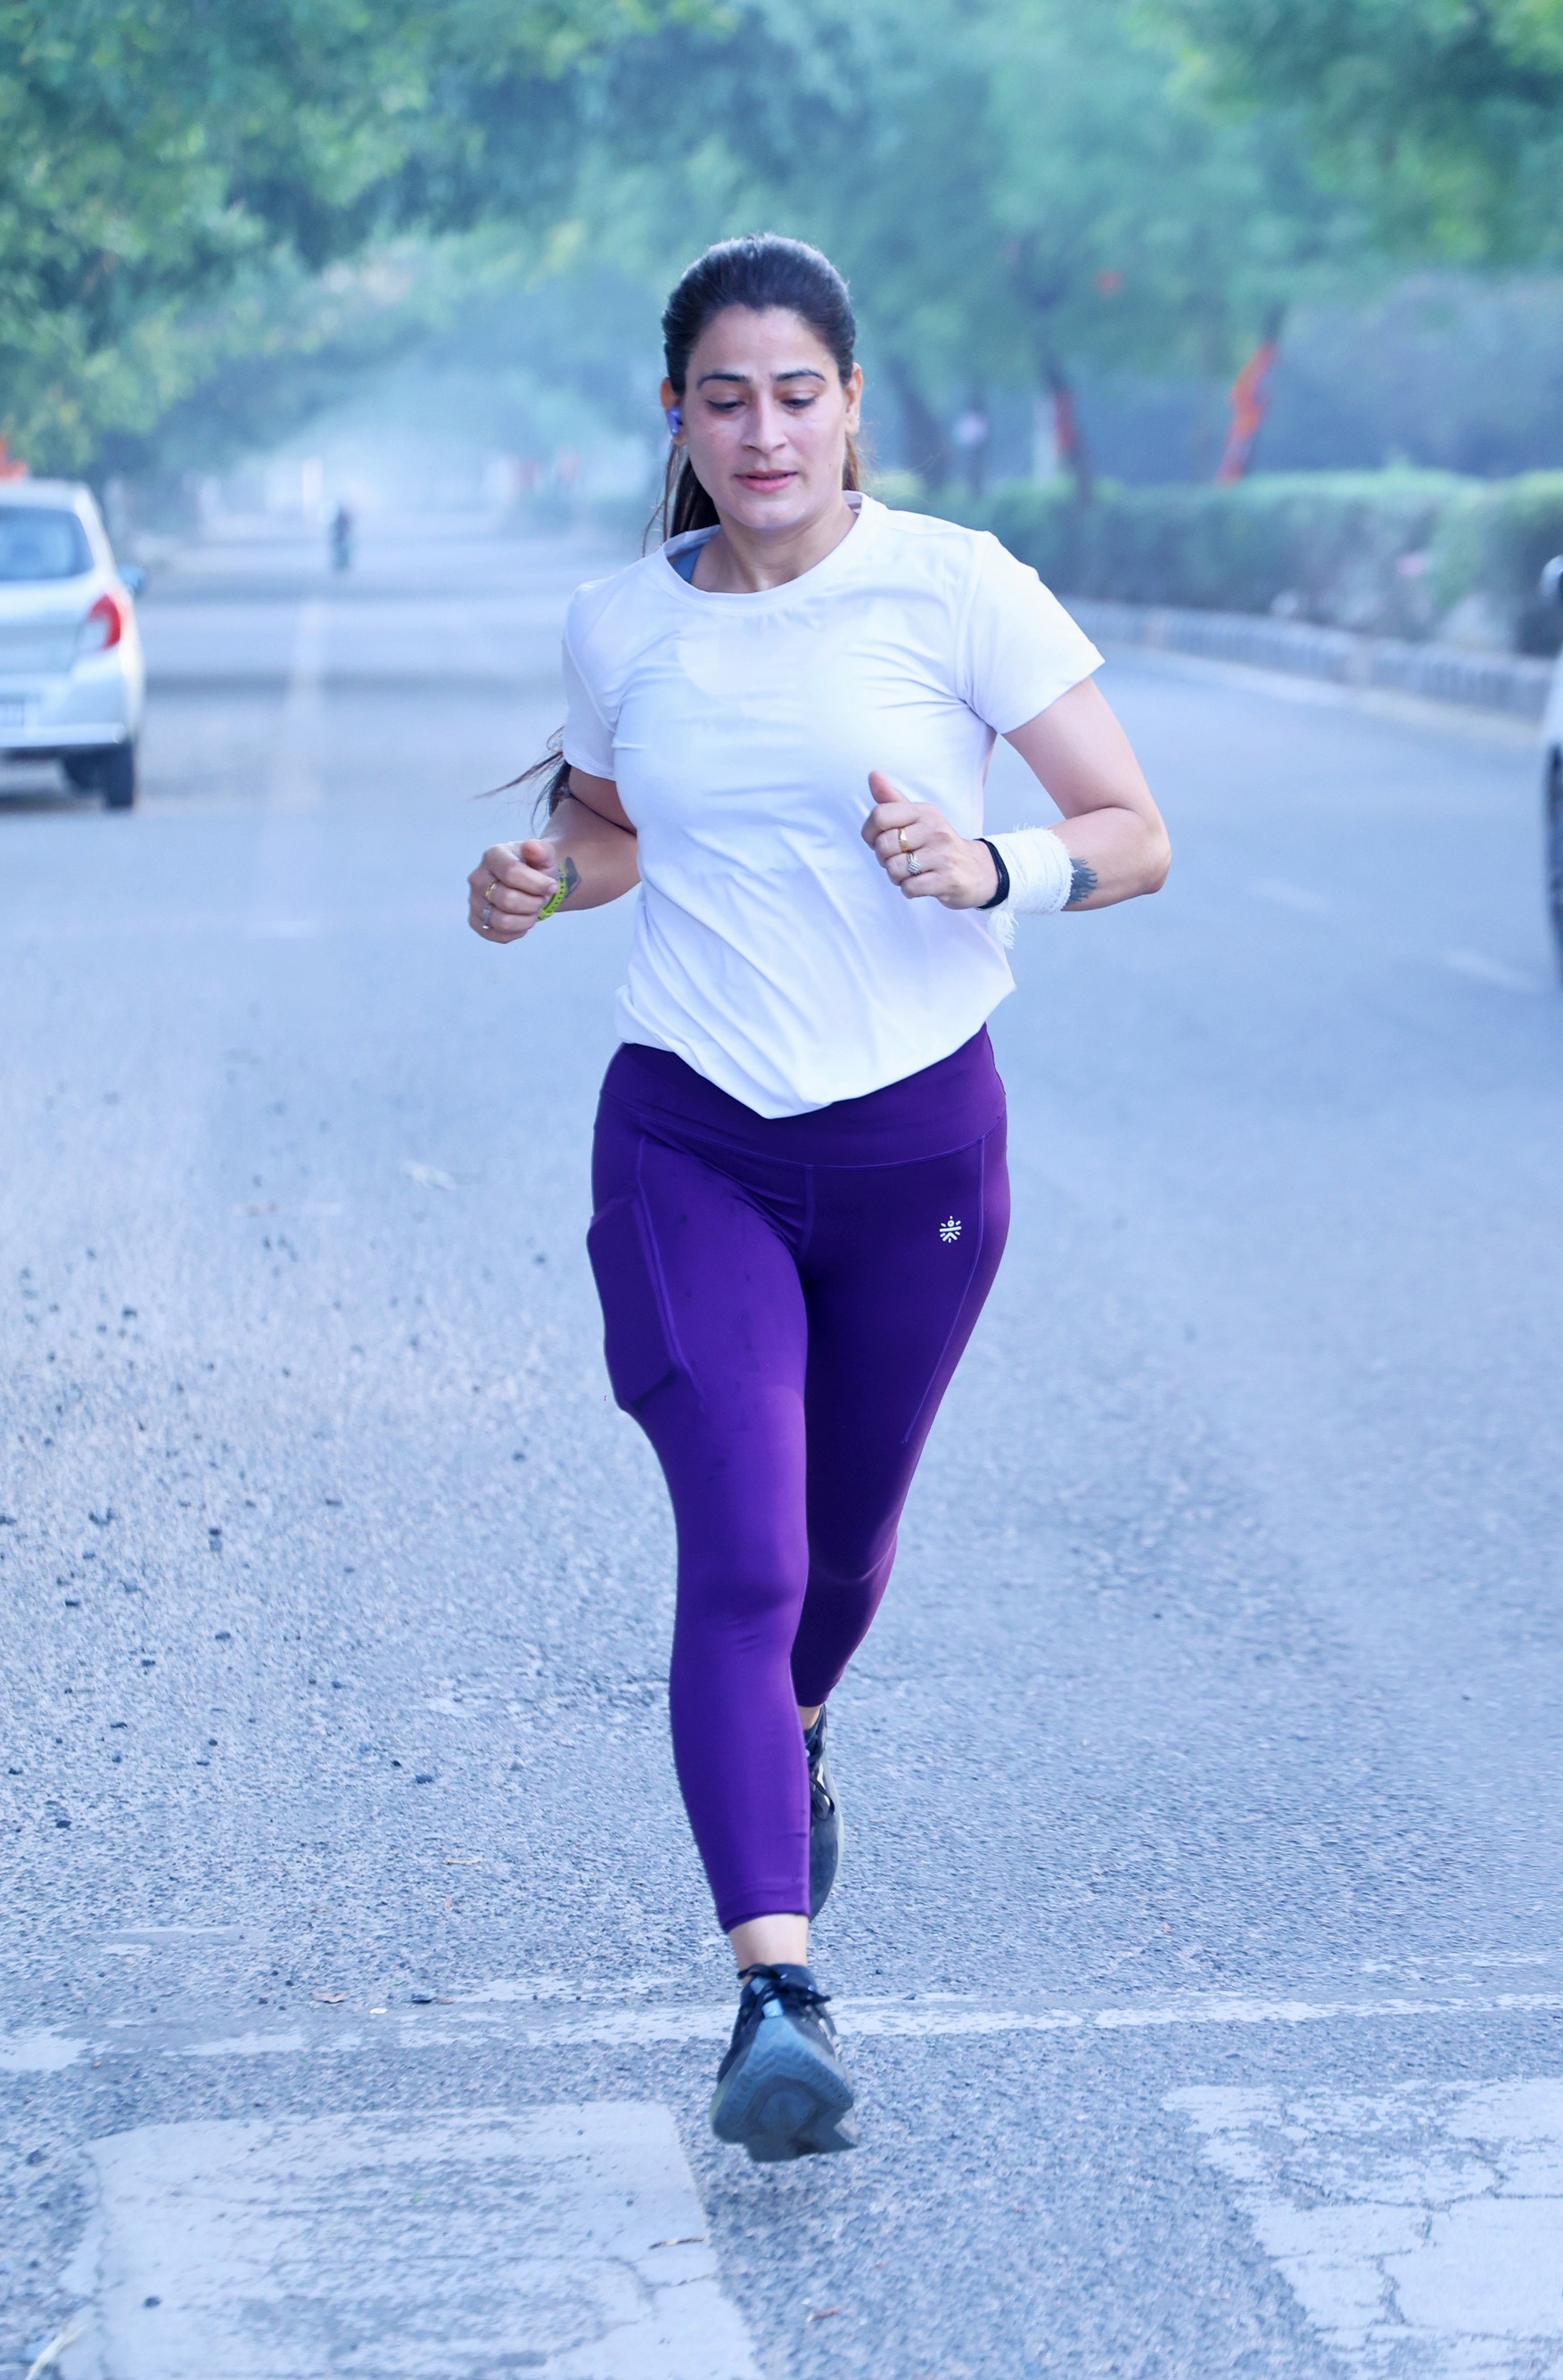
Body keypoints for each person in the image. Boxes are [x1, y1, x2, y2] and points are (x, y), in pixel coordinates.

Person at [466, 236, 1169, 2163]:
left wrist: (995, 865)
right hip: (687, 1135)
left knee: (841, 1566)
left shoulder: (956, 586)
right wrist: (541, 877)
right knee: (748, 1561)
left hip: (916, 1155)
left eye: (797, 393)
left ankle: (793, 1735)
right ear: (676, 418)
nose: (763, 431)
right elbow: (608, 830)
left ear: (852, 403)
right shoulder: (624, 625)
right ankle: (776, 1992)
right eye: (725, 398)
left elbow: (1136, 833)